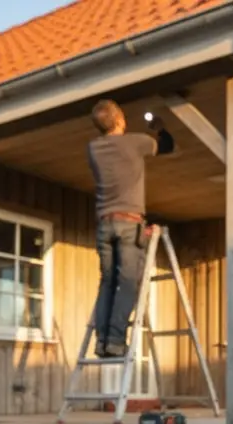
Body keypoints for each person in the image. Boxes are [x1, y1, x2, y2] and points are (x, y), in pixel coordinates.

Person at [86, 99, 174, 358]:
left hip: (105, 224)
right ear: (121, 120)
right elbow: (168, 146)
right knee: (127, 283)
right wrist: (159, 127)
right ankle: (114, 341)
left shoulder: (93, 148)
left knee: (107, 282)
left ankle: (102, 341)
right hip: (128, 223)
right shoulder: (135, 142)